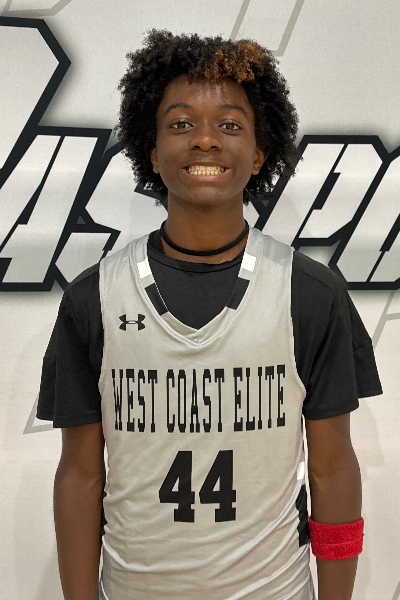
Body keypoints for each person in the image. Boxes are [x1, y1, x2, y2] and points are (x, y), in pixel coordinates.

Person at [37, 29, 382, 600]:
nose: (204, 140)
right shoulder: (92, 297)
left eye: (229, 124)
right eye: (180, 124)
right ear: (151, 152)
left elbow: (332, 469)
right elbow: (80, 473)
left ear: (260, 151)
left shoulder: (310, 293)